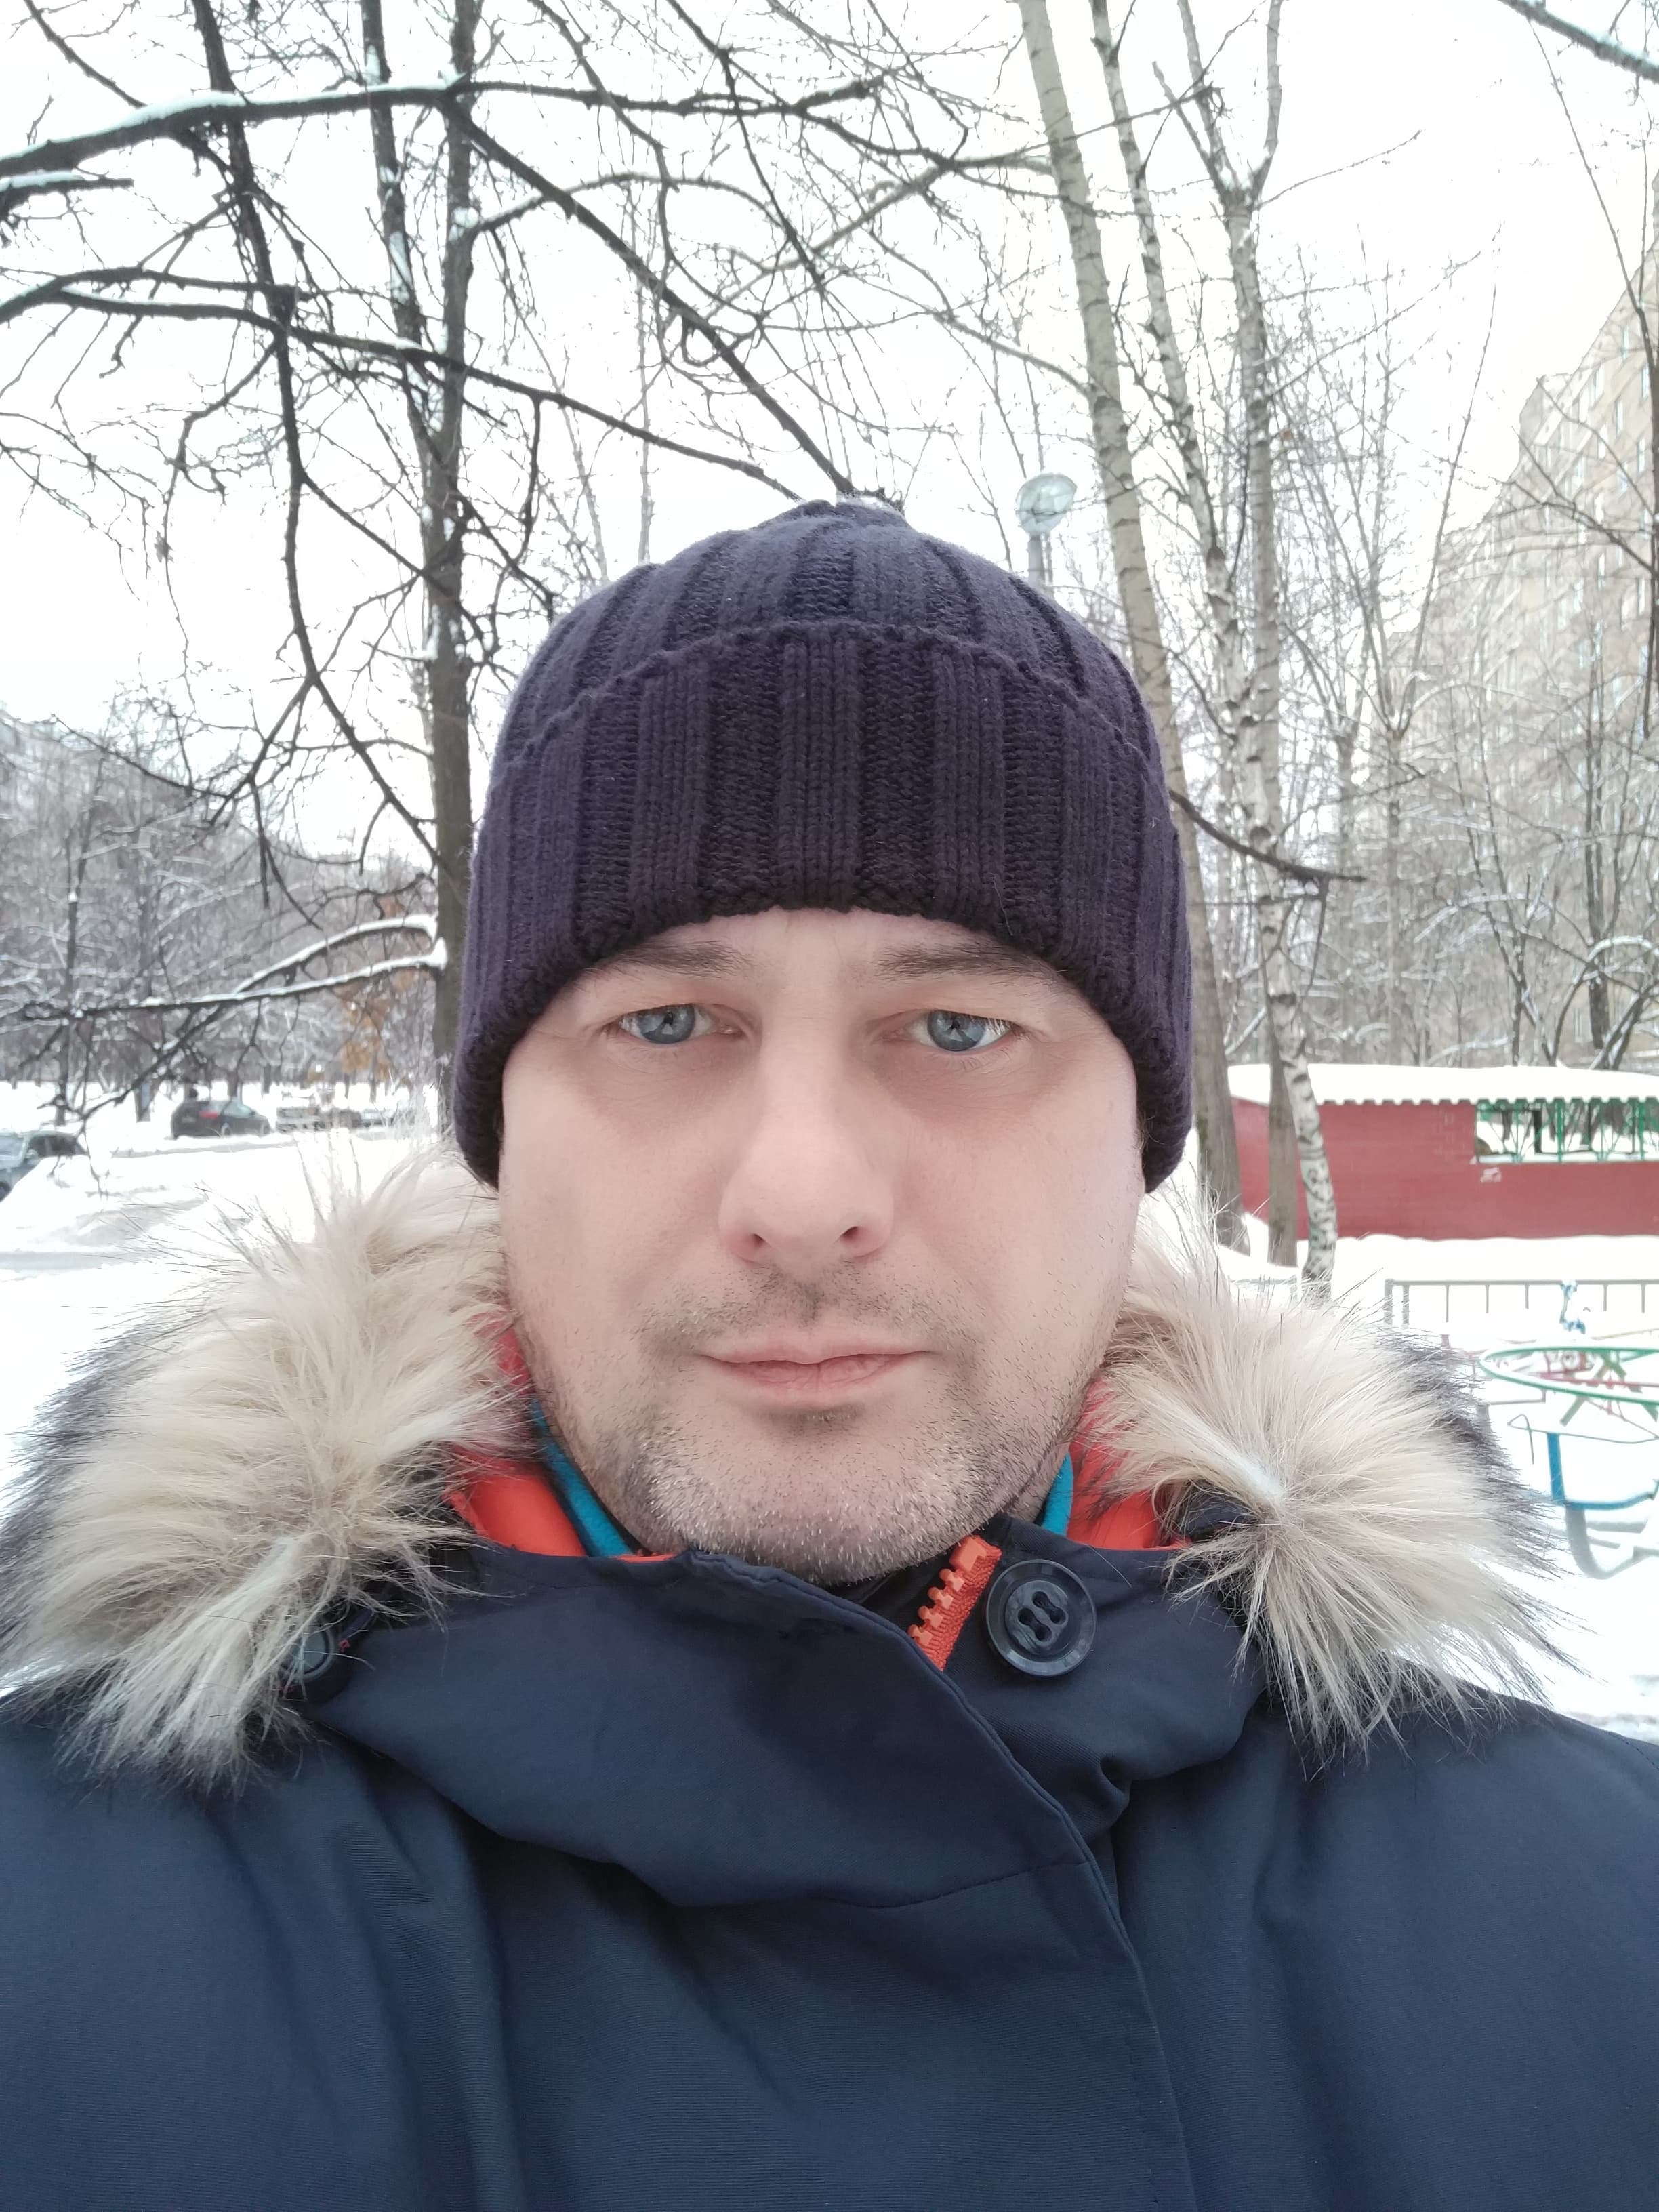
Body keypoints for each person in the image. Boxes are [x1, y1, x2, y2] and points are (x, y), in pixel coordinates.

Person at [0, 500, 1654, 2212]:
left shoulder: (1605, 1944)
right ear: (502, 1135)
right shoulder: (50, 1946)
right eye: (663, 1023)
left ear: (1138, 1144)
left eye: (959, 1026)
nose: (802, 1198)